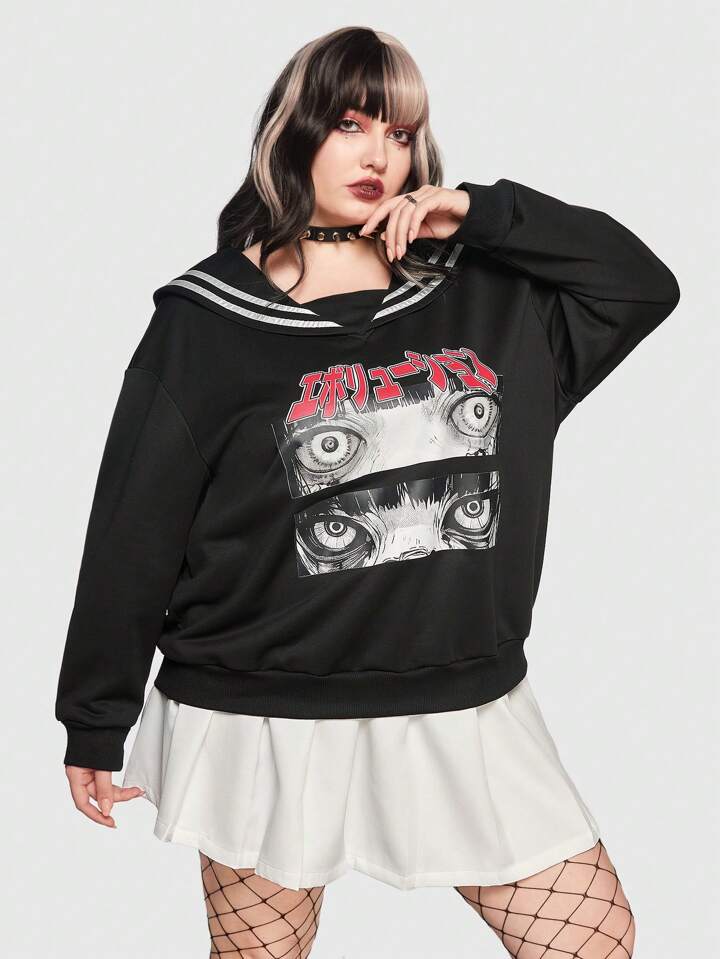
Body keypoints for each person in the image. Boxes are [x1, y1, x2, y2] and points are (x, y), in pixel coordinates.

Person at [55, 25, 679, 959]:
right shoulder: (205, 322)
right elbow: (133, 530)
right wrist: (94, 716)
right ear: (295, 132)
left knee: (594, 940)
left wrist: (479, 213)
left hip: (460, 707)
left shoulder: (491, 299)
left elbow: (640, 285)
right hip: (261, 713)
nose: (378, 154)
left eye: (400, 131)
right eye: (351, 124)